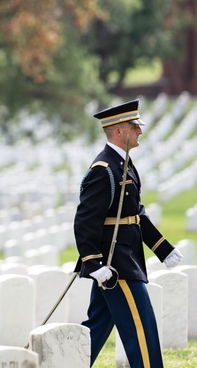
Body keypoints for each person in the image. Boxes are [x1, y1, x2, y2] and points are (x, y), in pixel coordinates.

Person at [73, 99, 183, 368]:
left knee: (96, 328)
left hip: (123, 259)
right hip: (115, 265)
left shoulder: (124, 164)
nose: (140, 131)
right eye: (135, 126)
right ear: (119, 131)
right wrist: (93, 263)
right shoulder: (104, 169)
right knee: (141, 328)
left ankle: (67, 362)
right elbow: (85, 220)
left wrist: (162, 248)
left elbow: (135, 215)